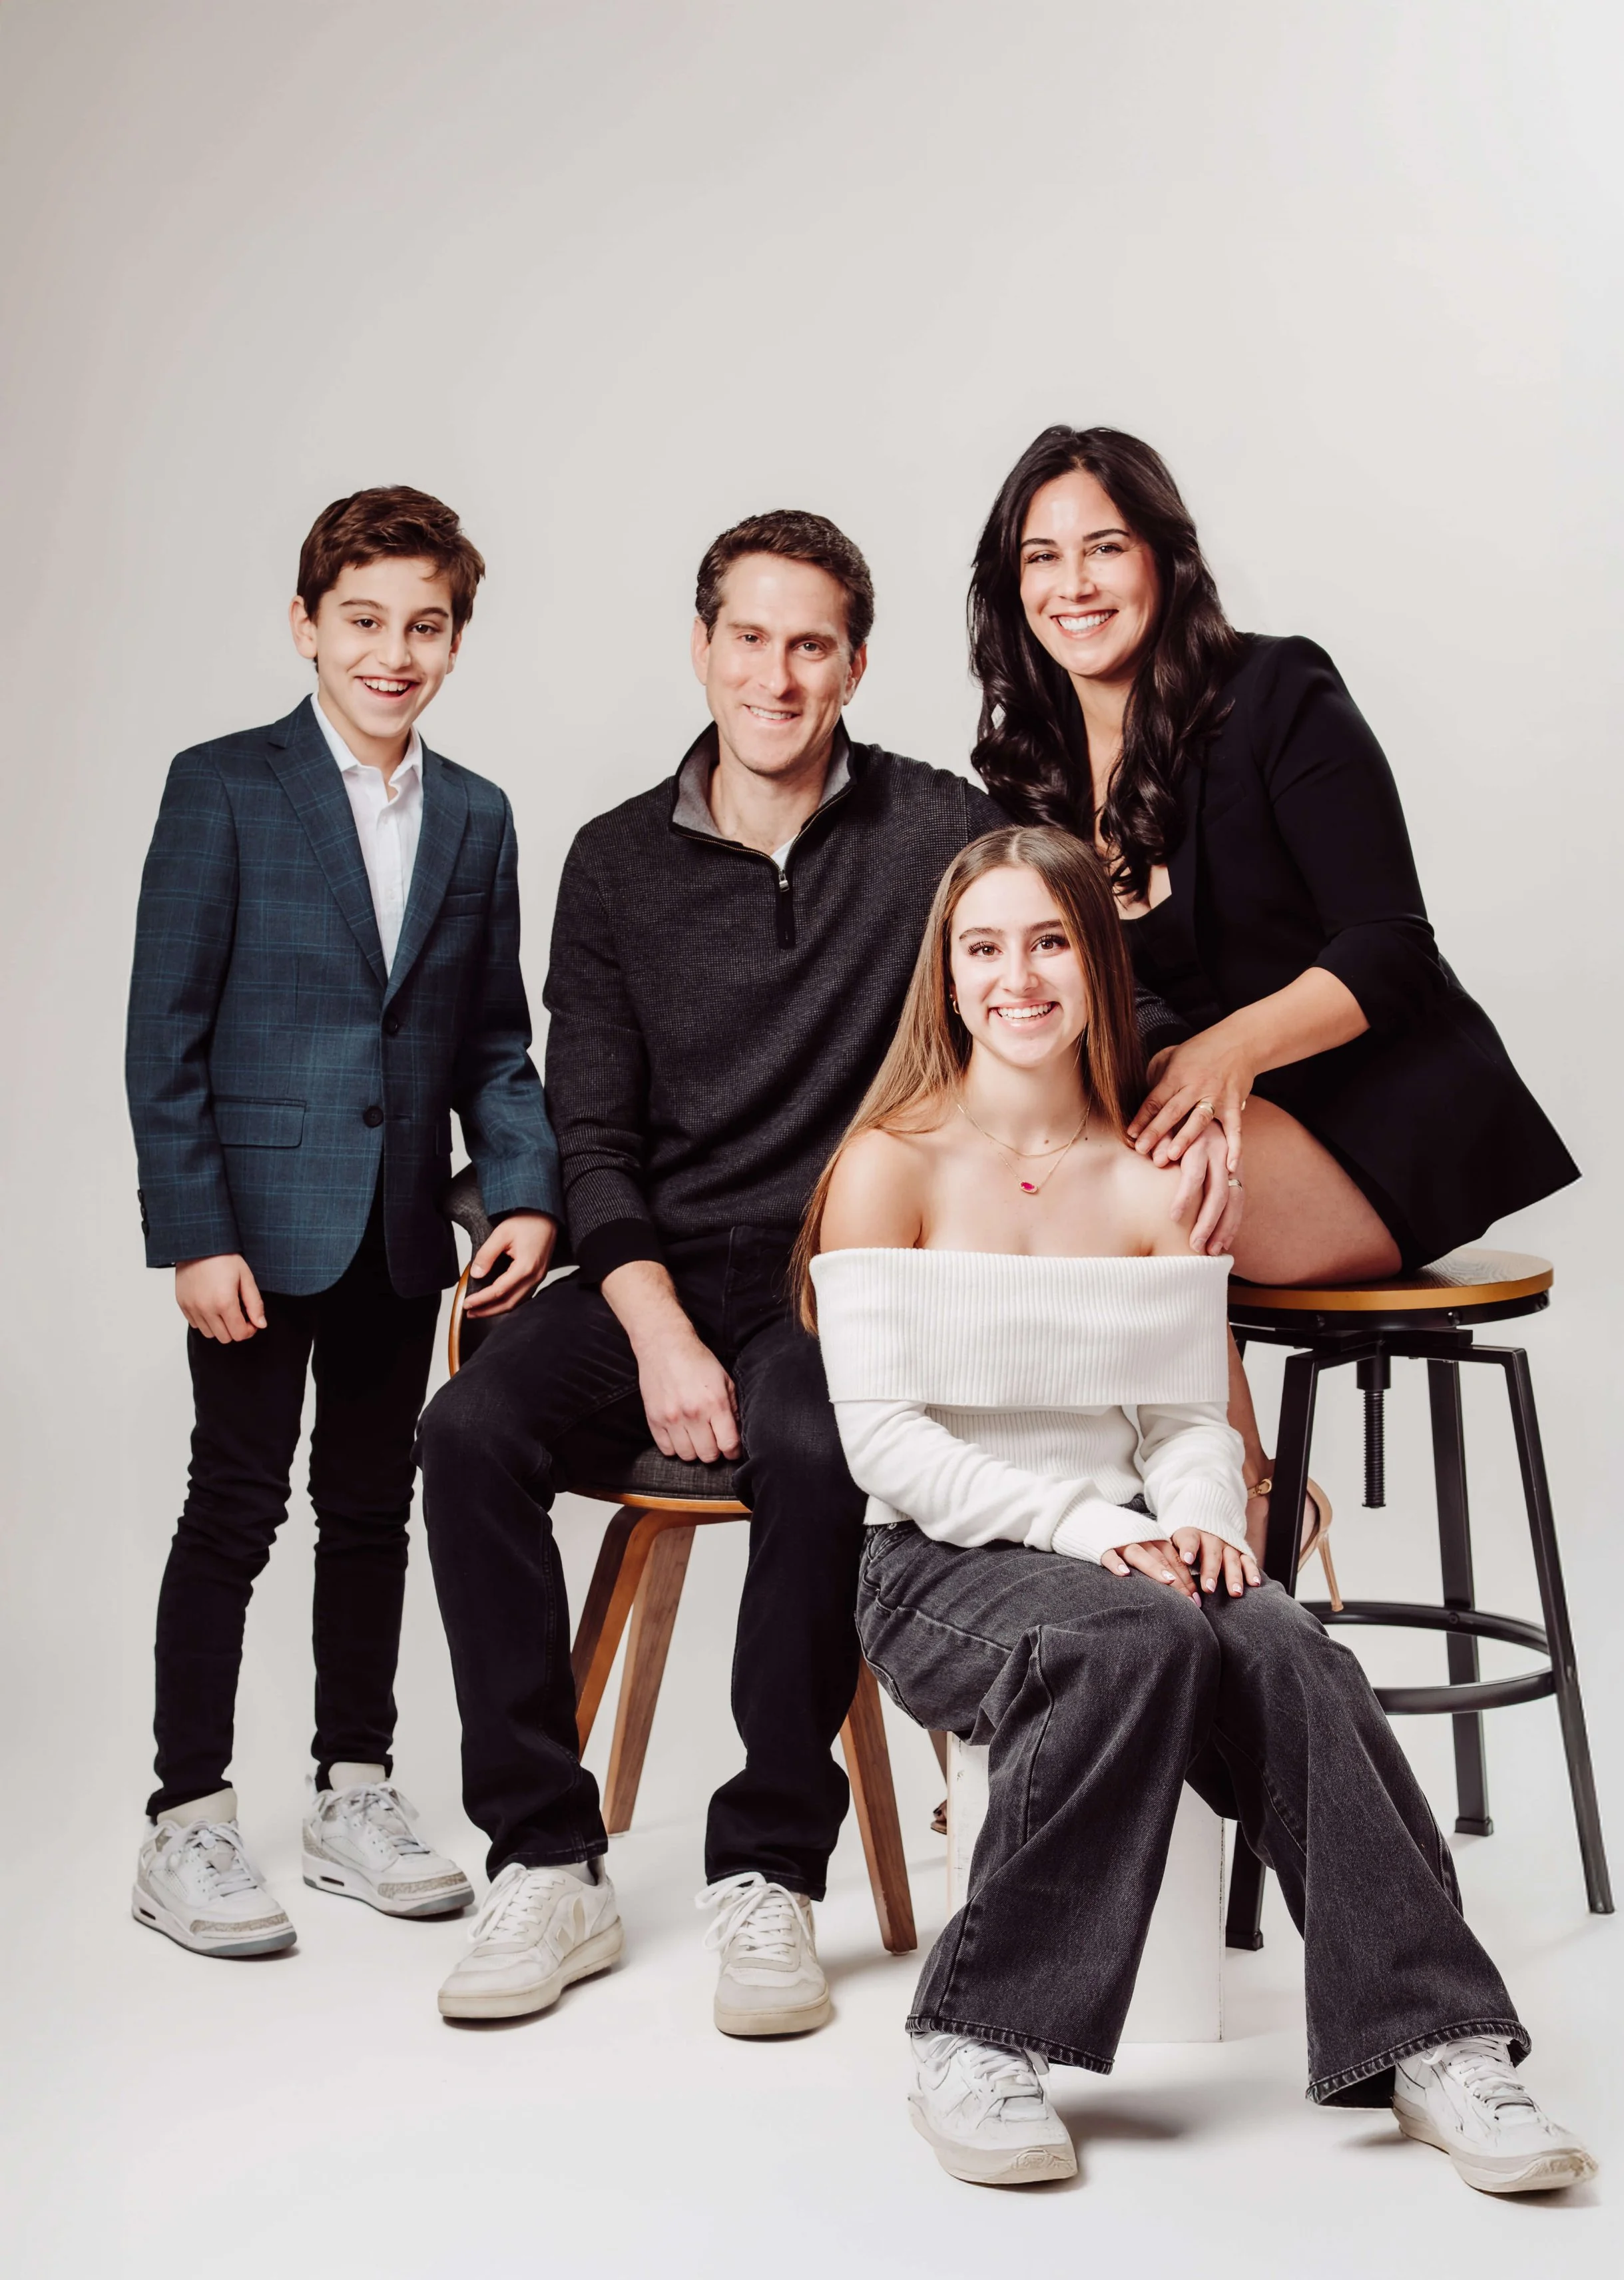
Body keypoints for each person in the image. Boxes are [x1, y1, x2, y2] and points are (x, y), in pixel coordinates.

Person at [417, 508, 1222, 2031]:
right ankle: (544, 1856)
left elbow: (1071, 968)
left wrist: (1202, 1098)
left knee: (812, 1438)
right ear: (703, 646)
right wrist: (651, 1331)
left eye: (810, 646)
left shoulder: (931, 832)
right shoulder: (610, 863)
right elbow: (590, 1138)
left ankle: (770, 1869)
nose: (774, 677)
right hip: (652, 1267)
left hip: (835, 1265)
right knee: (467, 1430)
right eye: (747, 638)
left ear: (855, 664)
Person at [802, 823, 1595, 2195]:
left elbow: (1175, 1418)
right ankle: (977, 2035)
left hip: (1125, 1540)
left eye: (1048, 941)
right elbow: (883, 1443)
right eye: (981, 947)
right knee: (1130, 1638)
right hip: (940, 1560)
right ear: (943, 975)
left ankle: (1436, 2040)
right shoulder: (892, 1163)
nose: (1016, 977)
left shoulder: (1152, 1171)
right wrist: (1108, 1534)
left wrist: (1203, 1520)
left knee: (1283, 1641)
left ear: (1096, 965)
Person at [966, 426, 1578, 1568]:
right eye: (1041, 559)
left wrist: (1223, 1054)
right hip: (1208, 1138)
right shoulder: (1023, 775)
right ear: (1010, 589)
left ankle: (1247, 1507)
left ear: (1163, 558)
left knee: (1126, 1180)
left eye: (1105, 547)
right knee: (1042, 1171)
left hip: (1385, 1117)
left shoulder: (1276, 689)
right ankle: (1154, 1526)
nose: (1074, 585)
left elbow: (1390, 946)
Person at [126, 487, 561, 1958]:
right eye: (364, 620)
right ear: (306, 624)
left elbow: (494, 1045)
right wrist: (193, 1232)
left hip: (395, 1236)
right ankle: (186, 1815)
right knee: (235, 1509)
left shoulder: (480, 816)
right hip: (252, 1230)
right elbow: (164, 1034)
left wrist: (522, 1192)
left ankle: (353, 1790)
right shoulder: (224, 788)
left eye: (425, 625)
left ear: (455, 639)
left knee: (372, 1514)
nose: (394, 652)